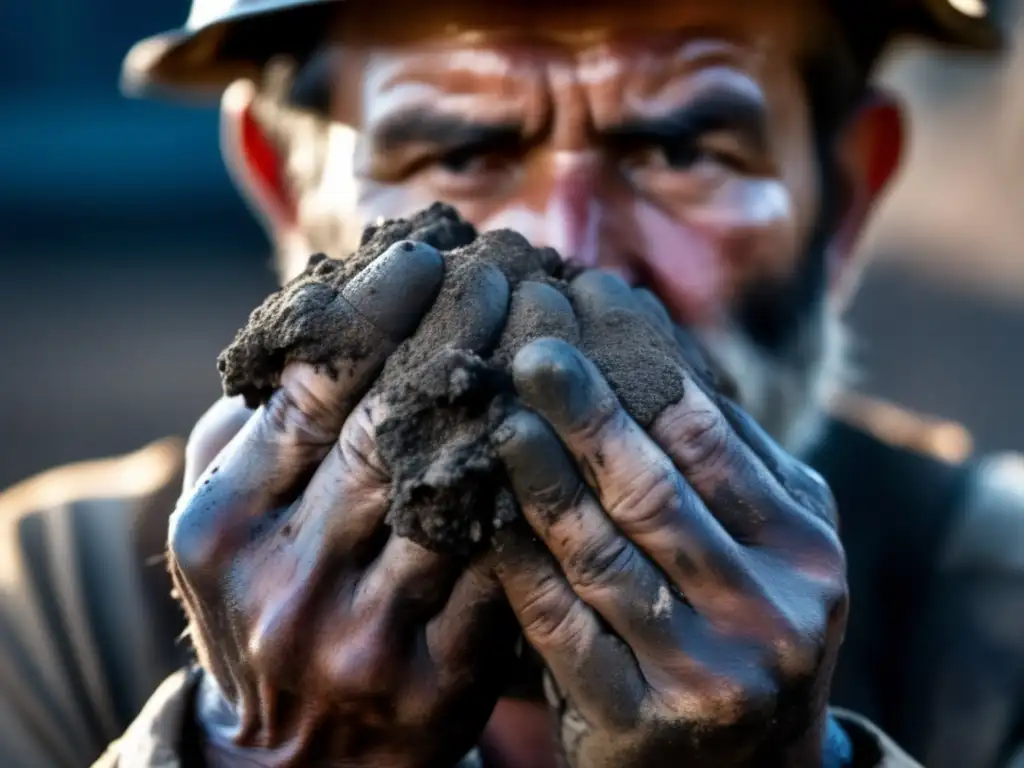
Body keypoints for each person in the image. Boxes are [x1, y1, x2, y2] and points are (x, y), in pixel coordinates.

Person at [1, 0, 1022, 765]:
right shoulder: (43, 610)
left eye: (676, 149)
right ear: (284, 187)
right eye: (462, 148)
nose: (564, 248)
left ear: (841, 201)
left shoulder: (1000, 612)